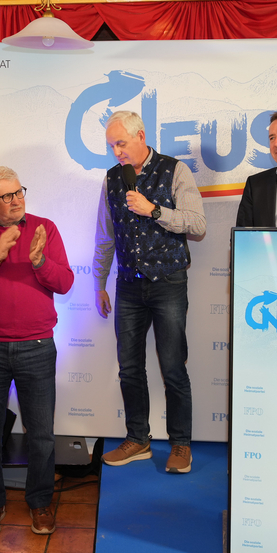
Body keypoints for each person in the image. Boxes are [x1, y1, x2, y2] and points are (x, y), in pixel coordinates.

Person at [0, 166, 74, 537]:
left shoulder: (45, 228)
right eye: (5, 196)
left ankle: (40, 503)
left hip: (36, 346)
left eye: (19, 192)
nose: (15, 200)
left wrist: (40, 261)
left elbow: (65, 282)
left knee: (41, 434)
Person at [93, 110, 206, 474]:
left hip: (168, 282)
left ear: (140, 136)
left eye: (121, 143)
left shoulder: (176, 170)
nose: (116, 152)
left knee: (173, 367)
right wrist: (99, 282)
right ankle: (137, 439)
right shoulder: (112, 179)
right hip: (127, 284)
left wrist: (155, 210)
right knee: (129, 367)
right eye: (111, 146)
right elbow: (106, 234)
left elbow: (197, 224)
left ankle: (181, 443)